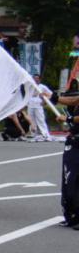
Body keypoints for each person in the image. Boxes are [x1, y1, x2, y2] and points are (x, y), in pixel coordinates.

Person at [58, 80, 79, 229]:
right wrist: (53, 97)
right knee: (68, 180)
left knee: (75, 181)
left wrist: (68, 118)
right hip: (74, 142)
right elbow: (73, 100)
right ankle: (71, 215)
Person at [26, 75, 54, 142]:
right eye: (34, 78)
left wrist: (45, 101)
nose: (35, 80)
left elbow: (50, 94)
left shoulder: (42, 87)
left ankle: (45, 134)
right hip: (30, 105)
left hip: (38, 105)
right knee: (31, 120)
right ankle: (33, 134)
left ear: (39, 79)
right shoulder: (30, 86)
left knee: (41, 120)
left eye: (37, 78)